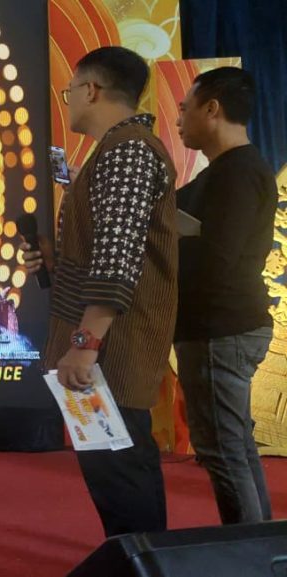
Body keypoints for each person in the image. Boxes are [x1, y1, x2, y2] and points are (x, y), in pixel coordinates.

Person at [23, 47, 177, 536]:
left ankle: (140, 561)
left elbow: (117, 259)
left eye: (69, 91)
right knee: (115, 464)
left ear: (91, 90)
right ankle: (139, 558)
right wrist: (56, 258)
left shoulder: (128, 150)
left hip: (111, 347)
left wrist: (84, 345)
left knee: (119, 466)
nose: (67, 101)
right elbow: (106, 248)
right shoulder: (116, 149)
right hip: (103, 343)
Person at [174, 67, 276, 524]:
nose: (179, 120)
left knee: (222, 449)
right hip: (223, 327)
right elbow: (167, 205)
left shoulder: (238, 173)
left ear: (212, 108)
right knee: (232, 446)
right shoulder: (224, 172)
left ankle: (248, 554)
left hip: (221, 329)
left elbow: (217, 258)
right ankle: (260, 546)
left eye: (185, 109)